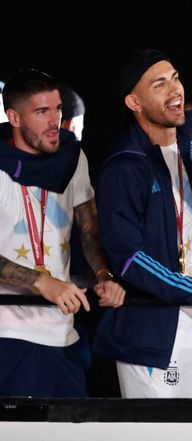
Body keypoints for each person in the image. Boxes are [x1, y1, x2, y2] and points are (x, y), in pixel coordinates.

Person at [94, 49, 192, 399]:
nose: (175, 89)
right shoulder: (124, 166)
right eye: (159, 84)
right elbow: (129, 259)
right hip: (152, 336)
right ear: (134, 102)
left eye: (175, 78)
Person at [0, 69, 124, 398]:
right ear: (13, 116)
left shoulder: (73, 157)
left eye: (57, 109)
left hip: (63, 331)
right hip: (9, 334)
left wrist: (103, 273)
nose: (55, 119)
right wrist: (41, 282)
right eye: (41, 112)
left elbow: (89, 228)